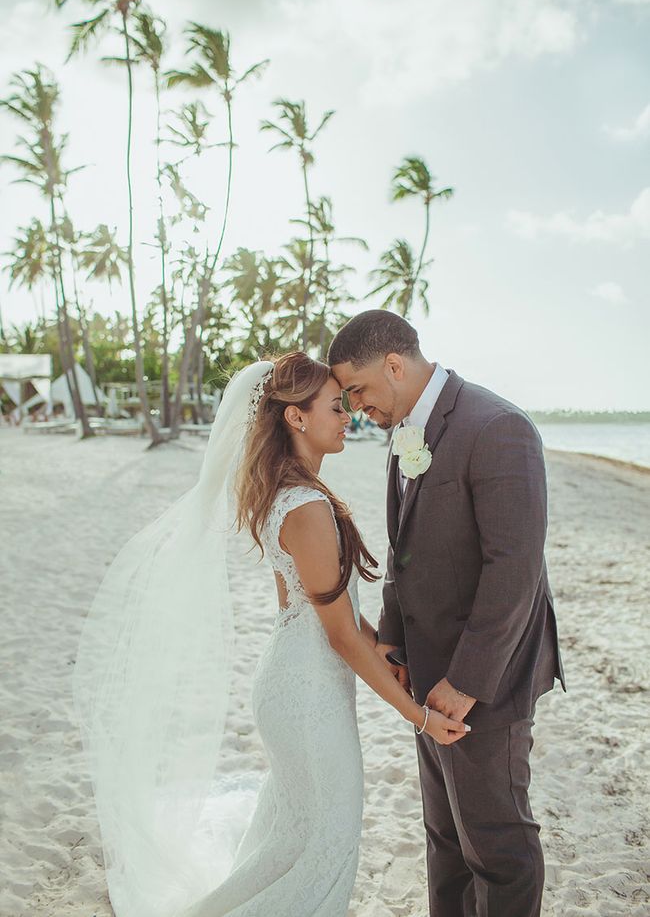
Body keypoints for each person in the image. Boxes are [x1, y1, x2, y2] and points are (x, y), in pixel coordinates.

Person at [72, 351, 468, 917]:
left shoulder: (293, 492)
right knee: (327, 843)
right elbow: (338, 635)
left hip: (300, 684)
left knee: (293, 840)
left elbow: (335, 609)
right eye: (335, 407)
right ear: (296, 417)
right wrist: (418, 716)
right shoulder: (305, 507)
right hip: (307, 695)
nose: (348, 417)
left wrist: (385, 648)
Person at [328, 309, 566, 917]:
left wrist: (467, 681)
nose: (355, 407)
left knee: (497, 843)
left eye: (357, 389)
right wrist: (392, 638)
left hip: (486, 678)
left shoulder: (498, 426)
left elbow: (514, 569)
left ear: (394, 365)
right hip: (428, 671)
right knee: (446, 839)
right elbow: (404, 550)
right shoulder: (406, 432)